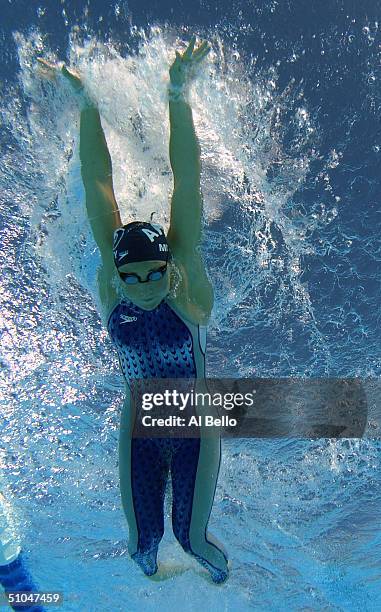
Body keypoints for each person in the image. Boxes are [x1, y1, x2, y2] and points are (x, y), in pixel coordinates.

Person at [37, 35, 229, 583]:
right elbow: (98, 182)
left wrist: (177, 93)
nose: (145, 286)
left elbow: (185, 180)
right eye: (133, 276)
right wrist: (85, 104)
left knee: (191, 539)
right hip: (139, 420)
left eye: (153, 273)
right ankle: (164, 592)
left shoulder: (185, 276)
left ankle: (225, 586)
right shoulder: (109, 273)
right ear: (117, 273)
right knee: (142, 549)